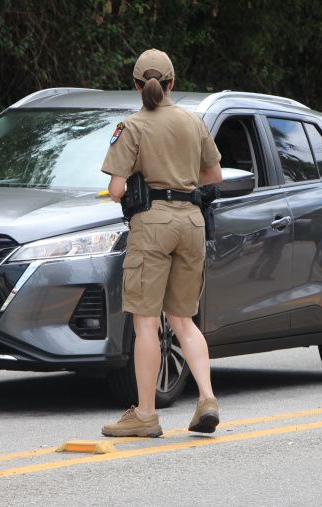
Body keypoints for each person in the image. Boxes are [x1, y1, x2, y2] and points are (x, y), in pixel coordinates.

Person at [100, 49, 223, 437]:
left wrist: (133, 185)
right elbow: (213, 174)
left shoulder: (132, 126)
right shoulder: (194, 122)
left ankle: (147, 415)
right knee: (184, 320)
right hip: (191, 222)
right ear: (172, 83)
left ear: (138, 86)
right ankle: (206, 398)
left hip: (151, 225)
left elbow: (116, 188)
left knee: (147, 324)